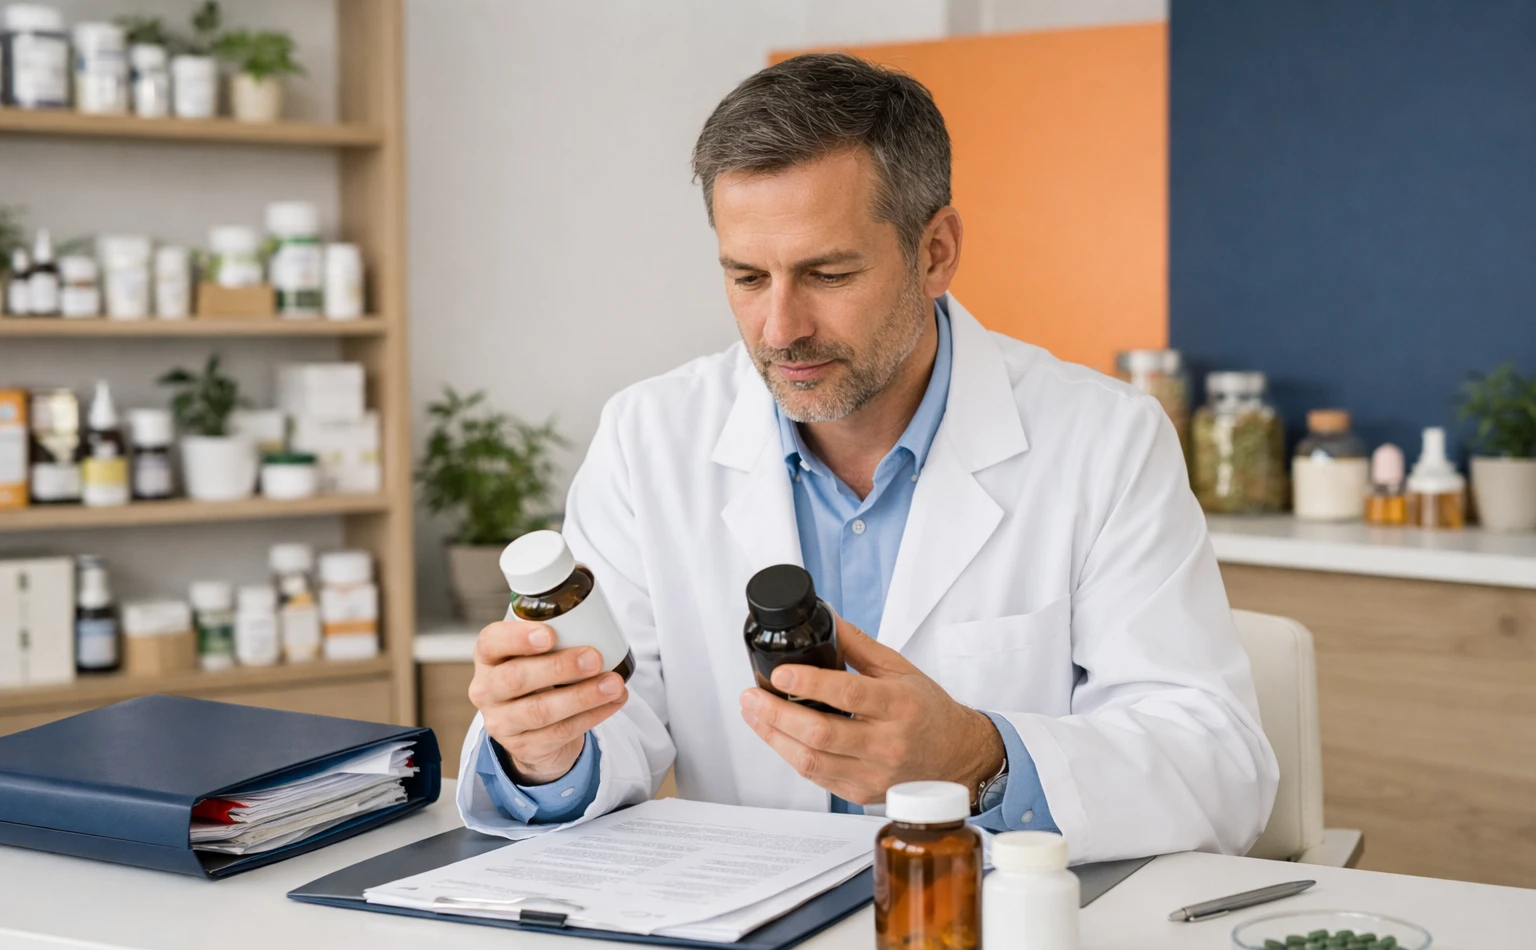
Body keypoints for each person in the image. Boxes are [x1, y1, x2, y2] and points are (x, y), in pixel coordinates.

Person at [458, 52, 1278, 863]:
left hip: (994, 946)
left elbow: (1218, 766)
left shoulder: (1105, 440)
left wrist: (977, 757)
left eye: (828, 272)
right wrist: (543, 749)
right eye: (747, 277)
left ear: (936, 253)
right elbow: (617, 713)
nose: (780, 329)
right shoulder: (648, 438)